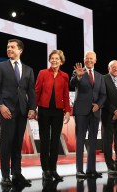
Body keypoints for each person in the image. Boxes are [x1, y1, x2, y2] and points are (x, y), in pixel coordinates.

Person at [0, 39, 36, 187]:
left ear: (20, 50)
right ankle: (5, 176)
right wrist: (0, 105)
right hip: (7, 110)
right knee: (6, 143)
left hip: (22, 111)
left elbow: (31, 91)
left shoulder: (28, 69)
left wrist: (32, 108)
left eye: (12, 47)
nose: (9, 49)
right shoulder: (0, 66)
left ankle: (16, 173)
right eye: (8, 46)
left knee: (18, 143)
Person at [35, 50, 70, 181]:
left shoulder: (65, 76)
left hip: (58, 112)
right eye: (52, 58)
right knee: (44, 141)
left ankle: (53, 169)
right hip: (44, 110)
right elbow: (37, 91)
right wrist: (33, 108)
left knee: (55, 142)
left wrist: (67, 111)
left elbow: (66, 95)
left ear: (61, 61)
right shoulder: (43, 73)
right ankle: (45, 170)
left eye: (57, 58)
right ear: (50, 60)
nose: (54, 60)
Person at [70, 51, 106, 178]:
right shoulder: (78, 71)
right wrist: (78, 77)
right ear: (84, 60)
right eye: (87, 58)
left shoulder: (100, 76)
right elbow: (72, 84)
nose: (89, 60)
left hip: (95, 112)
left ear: (95, 60)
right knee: (80, 141)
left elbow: (103, 94)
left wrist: (98, 105)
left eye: (91, 59)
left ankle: (91, 169)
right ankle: (79, 170)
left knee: (92, 141)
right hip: (81, 111)